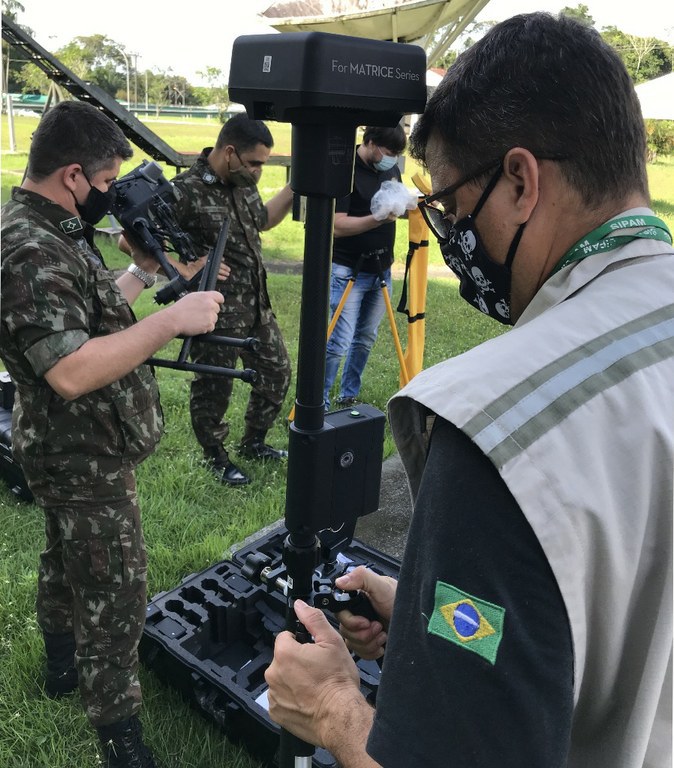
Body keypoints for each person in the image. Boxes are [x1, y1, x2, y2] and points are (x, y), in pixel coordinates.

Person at [264, 12, 674, 768]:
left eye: (454, 210)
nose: (455, 234)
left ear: (521, 181)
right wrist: (436, 616)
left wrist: (333, 710)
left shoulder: (500, 426)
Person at [0, 100, 223, 768]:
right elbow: (70, 370)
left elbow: (87, 318)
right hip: (80, 448)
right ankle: (119, 736)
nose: (108, 197)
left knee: (67, 560)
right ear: (73, 175)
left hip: (70, 444)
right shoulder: (30, 248)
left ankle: (63, 668)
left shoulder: (52, 232)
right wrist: (173, 320)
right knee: (115, 588)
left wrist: (146, 275)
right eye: (104, 184)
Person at [170, 114, 294, 487]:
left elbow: (263, 220)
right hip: (214, 312)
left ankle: (254, 442)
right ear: (229, 152)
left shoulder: (243, 185)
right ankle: (216, 456)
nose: (258, 171)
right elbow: (132, 240)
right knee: (213, 389)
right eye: (254, 162)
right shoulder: (184, 190)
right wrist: (186, 265)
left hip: (256, 305)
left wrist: (295, 187)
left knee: (277, 372)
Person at [323, 124, 407, 411]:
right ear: (370, 142)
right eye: (389, 151)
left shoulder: (390, 169)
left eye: (397, 153)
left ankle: (348, 395)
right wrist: (377, 219)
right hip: (348, 269)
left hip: (381, 267)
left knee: (365, 339)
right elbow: (336, 225)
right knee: (339, 341)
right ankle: (317, 400)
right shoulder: (345, 171)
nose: (392, 158)